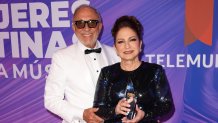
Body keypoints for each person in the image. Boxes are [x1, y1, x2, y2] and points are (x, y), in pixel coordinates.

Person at [44, 5, 119, 123]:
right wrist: (82, 114)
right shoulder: (61, 57)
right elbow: (51, 100)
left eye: (92, 23)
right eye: (80, 23)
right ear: (74, 27)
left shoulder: (116, 54)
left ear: (100, 26)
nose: (86, 28)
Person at [93, 15, 175, 123]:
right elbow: (98, 109)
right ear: (115, 48)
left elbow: (166, 105)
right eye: (121, 41)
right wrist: (115, 110)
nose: (127, 46)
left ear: (140, 44)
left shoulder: (155, 71)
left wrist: (145, 114)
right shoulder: (107, 73)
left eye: (132, 40)